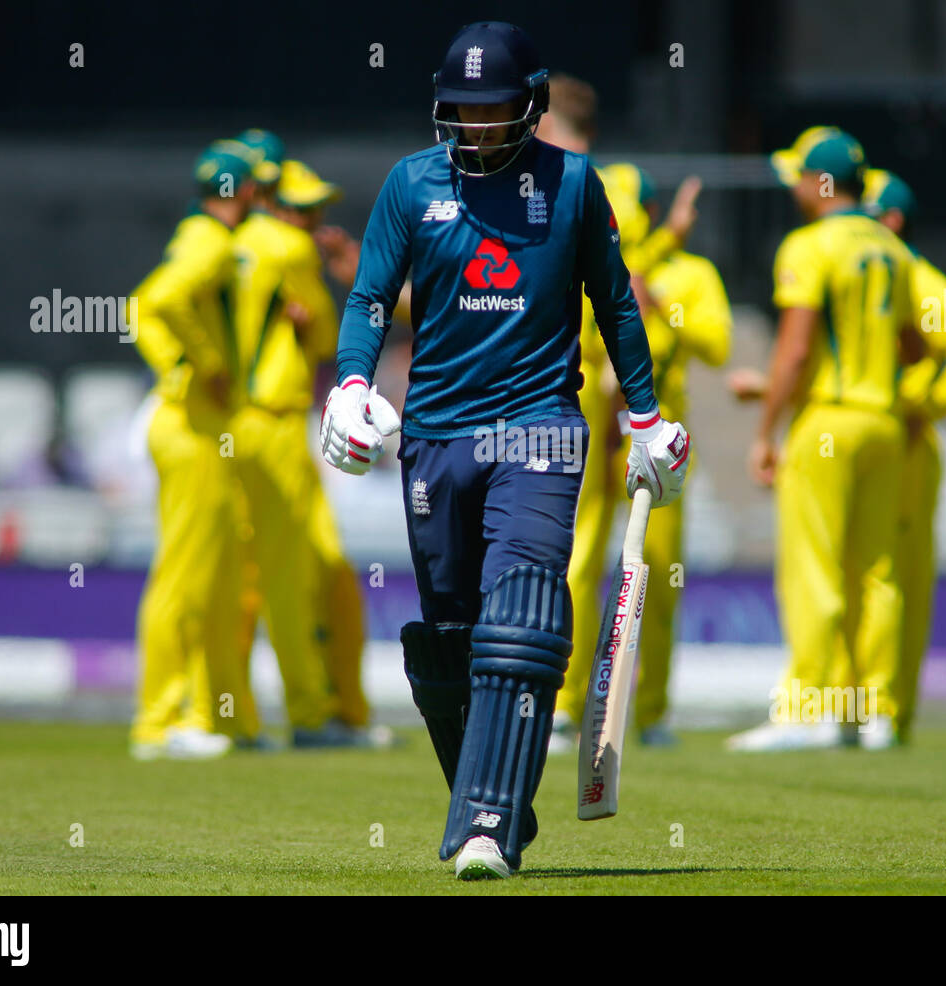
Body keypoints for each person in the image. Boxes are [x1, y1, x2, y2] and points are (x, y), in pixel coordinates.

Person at [320, 21, 691, 879]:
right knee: (455, 634)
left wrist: (644, 417)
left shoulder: (572, 186)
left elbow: (618, 302)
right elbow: (372, 296)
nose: (478, 127)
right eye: (463, 110)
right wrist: (349, 384)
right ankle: (498, 806)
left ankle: (481, 824)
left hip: (539, 427)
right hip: (436, 434)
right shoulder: (411, 184)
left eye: (494, 111)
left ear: (530, 106)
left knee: (521, 610)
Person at [723, 127, 915, 753]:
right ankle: (876, 711)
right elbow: (915, 344)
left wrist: (765, 429)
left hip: (828, 421)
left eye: (800, 177)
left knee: (815, 570)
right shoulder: (891, 248)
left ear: (821, 183)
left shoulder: (809, 245)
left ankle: (810, 708)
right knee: (878, 573)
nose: (796, 189)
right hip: (884, 421)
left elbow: (796, 347)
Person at [555, 164, 730, 750]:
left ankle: (651, 713)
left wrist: (660, 314)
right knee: (577, 566)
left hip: (657, 446)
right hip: (592, 433)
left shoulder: (691, 273)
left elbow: (718, 343)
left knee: (657, 578)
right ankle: (564, 705)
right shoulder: (585, 264)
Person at [229, 158, 390, 747]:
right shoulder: (287, 250)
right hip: (272, 423)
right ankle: (311, 714)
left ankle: (228, 715)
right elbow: (326, 337)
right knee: (295, 578)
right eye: (301, 209)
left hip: (237, 425)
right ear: (273, 203)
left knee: (250, 580)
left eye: (315, 208)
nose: (311, 220)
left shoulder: (239, 241)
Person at [858, 168, 946, 746]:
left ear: (891, 221)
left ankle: (886, 711)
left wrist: (922, 406)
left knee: (890, 573)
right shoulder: (877, 273)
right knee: (871, 573)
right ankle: (869, 709)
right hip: (882, 438)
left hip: (907, 447)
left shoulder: (916, 277)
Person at [127, 143, 255, 761]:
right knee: (183, 577)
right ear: (245, 194)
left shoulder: (198, 232)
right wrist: (199, 364)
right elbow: (156, 300)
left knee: (208, 577)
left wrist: (179, 364)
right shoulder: (209, 241)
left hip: (197, 422)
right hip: (191, 425)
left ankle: (206, 714)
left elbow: (147, 306)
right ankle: (160, 720)